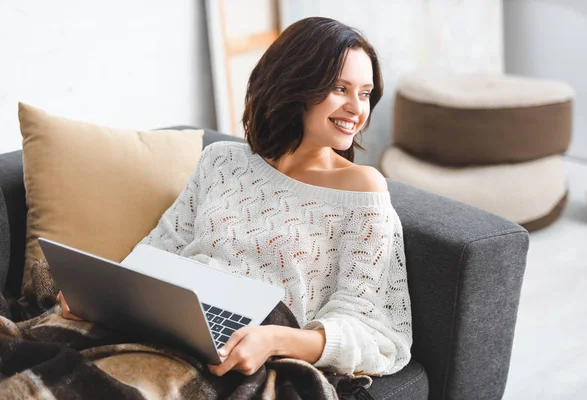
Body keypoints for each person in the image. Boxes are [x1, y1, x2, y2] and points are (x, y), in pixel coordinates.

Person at [57, 16, 412, 377]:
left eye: (365, 93)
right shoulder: (222, 160)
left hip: (243, 353)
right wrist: (101, 296)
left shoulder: (362, 190)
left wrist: (275, 339)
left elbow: (371, 332)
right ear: (296, 85)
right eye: (340, 88)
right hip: (172, 321)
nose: (357, 108)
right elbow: (162, 248)